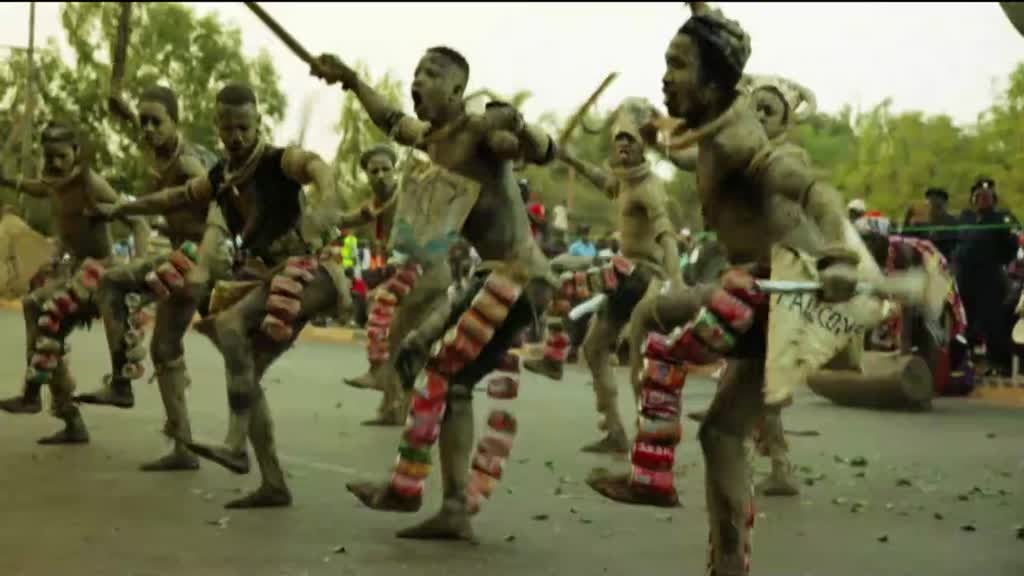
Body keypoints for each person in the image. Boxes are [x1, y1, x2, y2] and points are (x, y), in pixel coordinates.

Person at [598, 6, 861, 574]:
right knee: (720, 434)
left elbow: (814, 189)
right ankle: (728, 561)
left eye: (679, 66)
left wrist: (837, 255)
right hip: (760, 293)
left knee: (656, 318)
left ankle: (652, 470)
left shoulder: (748, 143)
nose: (665, 76)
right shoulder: (716, 136)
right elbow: (688, 146)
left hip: (778, 292)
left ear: (718, 82)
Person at [312, 44, 556, 541]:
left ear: (458, 90)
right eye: (416, 72)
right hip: (494, 274)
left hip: (517, 273)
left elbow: (537, 149)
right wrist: (351, 79)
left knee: (438, 365)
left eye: (431, 74)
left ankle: (423, 496)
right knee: (445, 373)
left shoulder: (480, 130)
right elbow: (389, 118)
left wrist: (524, 130)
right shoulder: (432, 139)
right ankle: (446, 505)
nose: (417, 81)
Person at [109, 83, 346, 508]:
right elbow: (178, 196)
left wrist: (326, 200)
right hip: (270, 278)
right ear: (217, 126)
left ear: (258, 124)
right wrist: (125, 208)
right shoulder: (222, 176)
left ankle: (235, 446)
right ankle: (273, 483)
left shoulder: (278, 160)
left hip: (311, 273)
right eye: (228, 128)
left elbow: (317, 167)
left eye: (244, 127)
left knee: (229, 325)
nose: (236, 137)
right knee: (247, 372)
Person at [75, 86, 220, 472]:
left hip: (197, 259)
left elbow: (218, 206)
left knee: (115, 286)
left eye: (158, 122)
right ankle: (183, 445)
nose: (149, 129)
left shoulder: (188, 165)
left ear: (177, 123)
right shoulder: (162, 156)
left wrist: (209, 257)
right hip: (183, 255)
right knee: (163, 348)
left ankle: (124, 385)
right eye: (144, 123)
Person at [526, 103, 680, 455]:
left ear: (646, 145)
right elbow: (603, 180)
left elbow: (666, 235)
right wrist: (568, 157)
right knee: (595, 350)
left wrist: (676, 280)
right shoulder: (627, 183)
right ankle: (615, 432)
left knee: (563, 270)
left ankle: (553, 358)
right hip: (623, 277)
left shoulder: (648, 190)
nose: (623, 146)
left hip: (640, 276)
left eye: (631, 139)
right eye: (619, 139)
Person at [0, 121, 149, 444]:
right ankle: (57, 409)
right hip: (76, 272)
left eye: (60, 156)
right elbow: (37, 185)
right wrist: (8, 180)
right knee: (36, 310)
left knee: (48, 314)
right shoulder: (54, 181)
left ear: (76, 154)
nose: (53, 163)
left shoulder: (91, 184)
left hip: (103, 274)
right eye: (48, 156)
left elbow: (138, 221)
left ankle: (121, 386)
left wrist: (138, 267)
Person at [955, 177, 1020, 377]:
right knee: (964, 321)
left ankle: (998, 364)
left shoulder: (1002, 218)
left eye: (987, 197)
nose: (983, 199)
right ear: (973, 199)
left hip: (989, 277)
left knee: (993, 321)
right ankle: (965, 361)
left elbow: (1011, 246)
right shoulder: (965, 218)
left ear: (994, 200)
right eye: (979, 196)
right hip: (964, 277)